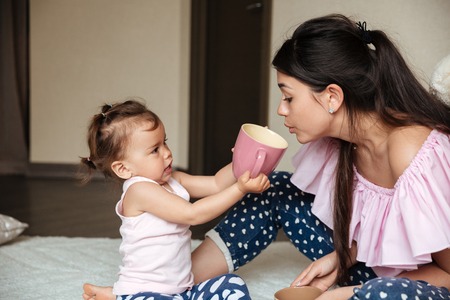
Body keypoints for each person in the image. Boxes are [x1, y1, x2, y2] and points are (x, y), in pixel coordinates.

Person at [84, 14, 450, 300]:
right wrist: (343, 257)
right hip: (366, 265)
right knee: (273, 189)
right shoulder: (348, 143)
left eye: (289, 96)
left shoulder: (411, 150)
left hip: (408, 284)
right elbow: (380, 225)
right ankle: (174, 283)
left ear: (333, 97)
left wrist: (350, 291)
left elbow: (446, 275)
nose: (280, 110)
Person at [80, 99, 270, 300]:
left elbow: (216, 184)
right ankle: (119, 296)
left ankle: (113, 294)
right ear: (124, 169)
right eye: (155, 150)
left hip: (183, 289)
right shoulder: (139, 190)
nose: (167, 153)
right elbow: (193, 214)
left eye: (165, 142)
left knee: (233, 283)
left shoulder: (174, 180)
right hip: (146, 293)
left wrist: (242, 160)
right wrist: (240, 189)